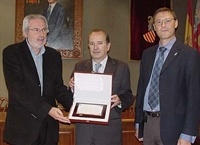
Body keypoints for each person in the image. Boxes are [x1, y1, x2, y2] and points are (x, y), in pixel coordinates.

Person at [2, 14, 73, 145]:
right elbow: (18, 90)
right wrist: (47, 109)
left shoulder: (54, 56)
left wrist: (76, 107)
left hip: (48, 129)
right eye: (36, 30)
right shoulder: (12, 53)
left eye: (44, 29)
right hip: (22, 130)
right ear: (25, 33)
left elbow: (58, 87)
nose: (41, 34)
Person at [135, 7, 200, 145]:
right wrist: (138, 124)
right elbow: (141, 89)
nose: (163, 25)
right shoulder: (147, 54)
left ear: (175, 23)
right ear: (154, 27)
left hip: (174, 128)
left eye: (167, 21)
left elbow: (194, 97)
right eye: (159, 22)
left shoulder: (189, 55)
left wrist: (188, 133)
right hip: (148, 124)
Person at [68, 29, 133, 145]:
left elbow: (128, 95)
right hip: (84, 132)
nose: (95, 47)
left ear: (108, 46)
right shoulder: (80, 66)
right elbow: (70, 97)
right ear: (88, 46)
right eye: (92, 44)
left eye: (99, 43)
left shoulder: (121, 67)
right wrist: (72, 88)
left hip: (109, 131)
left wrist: (120, 100)